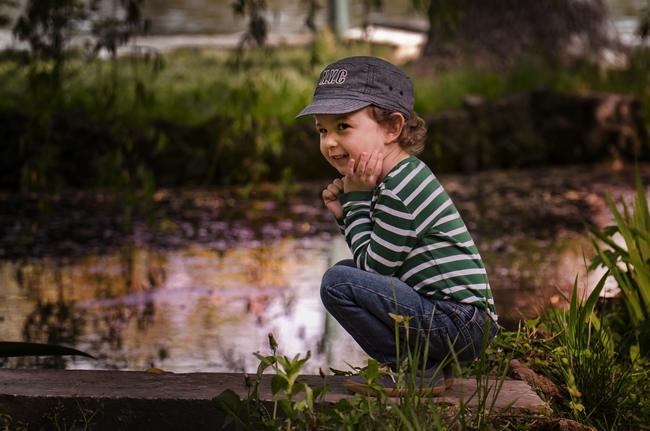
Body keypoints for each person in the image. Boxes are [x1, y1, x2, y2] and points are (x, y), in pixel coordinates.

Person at [295, 56, 498, 396]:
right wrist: (349, 213)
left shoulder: (400, 189)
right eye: (322, 130)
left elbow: (373, 268)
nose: (329, 142)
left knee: (336, 283)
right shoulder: (396, 178)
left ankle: (414, 369)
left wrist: (354, 204)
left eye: (342, 126)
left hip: (459, 322)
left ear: (392, 128)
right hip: (457, 320)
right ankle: (430, 369)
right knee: (345, 274)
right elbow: (377, 257)